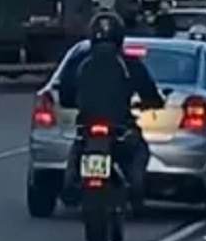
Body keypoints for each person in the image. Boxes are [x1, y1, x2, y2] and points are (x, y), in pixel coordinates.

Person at [59, 11, 166, 200]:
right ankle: (135, 190)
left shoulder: (78, 61)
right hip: (119, 126)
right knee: (140, 150)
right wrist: (151, 103)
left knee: (78, 146)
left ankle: (72, 181)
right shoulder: (130, 63)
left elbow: (65, 96)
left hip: (88, 124)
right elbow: (150, 93)